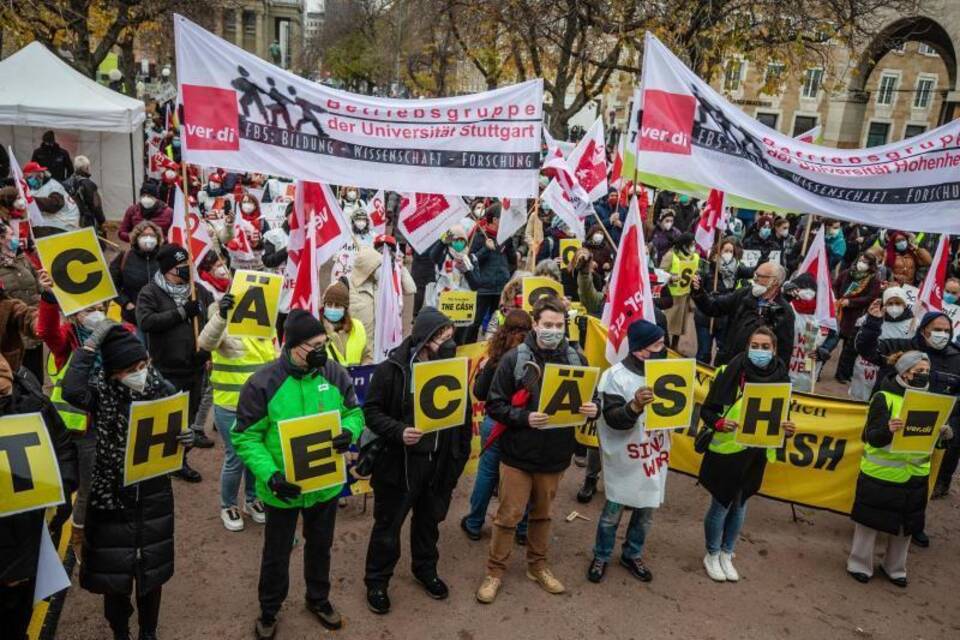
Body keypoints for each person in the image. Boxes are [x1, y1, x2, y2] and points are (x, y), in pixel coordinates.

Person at [232, 310, 363, 636]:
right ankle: (269, 610)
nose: (324, 349)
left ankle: (318, 599)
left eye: (325, 342)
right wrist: (271, 475)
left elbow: (354, 412)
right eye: (316, 344)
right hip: (282, 489)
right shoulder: (263, 383)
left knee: (320, 546)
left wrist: (349, 431)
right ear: (294, 346)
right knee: (276, 554)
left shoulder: (333, 372)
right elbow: (245, 436)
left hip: (325, 487)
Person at [62, 322, 193, 640]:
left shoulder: (160, 388)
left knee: (151, 575)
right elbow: (71, 390)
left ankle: (149, 631)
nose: (141, 373)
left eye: (143, 365)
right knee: (115, 580)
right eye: (131, 369)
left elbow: (177, 418)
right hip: (112, 501)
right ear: (112, 373)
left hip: (152, 497)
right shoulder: (99, 394)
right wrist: (90, 346)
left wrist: (185, 438)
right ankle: (120, 629)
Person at [476, 296, 598, 604]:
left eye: (559, 326)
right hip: (517, 454)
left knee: (543, 515)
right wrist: (524, 417)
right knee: (508, 516)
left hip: (554, 456)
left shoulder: (576, 359)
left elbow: (593, 398)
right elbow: (494, 404)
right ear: (535, 324)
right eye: (547, 325)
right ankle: (495, 571)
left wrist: (593, 408)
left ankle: (538, 566)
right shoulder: (514, 358)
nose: (553, 331)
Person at [362, 308, 472, 614]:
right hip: (400, 466)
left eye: (451, 337)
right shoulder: (392, 370)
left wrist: (457, 459)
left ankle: (425, 569)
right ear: (424, 338)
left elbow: (463, 419)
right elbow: (370, 411)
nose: (448, 343)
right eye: (441, 337)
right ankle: (377, 581)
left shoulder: (453, 370)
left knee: (429, 524)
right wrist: (399, 432)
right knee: (388, 527)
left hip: (438, 467)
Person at [697, 326, 795, 582]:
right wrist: (719, 424)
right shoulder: (727, 372)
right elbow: (707, 412)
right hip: (726, 452)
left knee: (741, 504)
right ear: (747, 346)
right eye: (755, 346)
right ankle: (712, 553)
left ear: (774, 350)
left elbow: (782, 416)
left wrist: (788, 427)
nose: (759, 351)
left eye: (765, 347)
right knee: (721, 504)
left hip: (757, 453)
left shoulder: (782, 377)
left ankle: (728, 553)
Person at [847, 351, 952, 587]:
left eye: (927, 371)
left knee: (906, 526)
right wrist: (888, 430)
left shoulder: (933, 401)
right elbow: (870, 437)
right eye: (919, 371)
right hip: (881, 474)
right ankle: (859, 563)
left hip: (915, 475)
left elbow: (930, 441)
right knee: (868, 523)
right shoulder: (883, 397)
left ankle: (895, 567)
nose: (924, 375)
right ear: (904, 372)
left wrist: (943, 436)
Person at [0, 353, 77, 640]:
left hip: (28, 537)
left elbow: (64, 448)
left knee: (20, 615)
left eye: (4, 388)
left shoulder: (35, 404)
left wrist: (64, 491)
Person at [587, 320, 671, 584]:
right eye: (658, 345)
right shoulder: (614, 376)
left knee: (646, 512)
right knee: (613, 512)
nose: (663, 349)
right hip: (625, 456)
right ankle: (601, 554)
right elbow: (612, 419)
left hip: (653, 455)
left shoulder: (667, 373)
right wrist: (634, 406)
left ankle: (632, 554)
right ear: (640, 350)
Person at [36, 268, 110, 562]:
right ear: (75, 314)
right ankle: (47, 532)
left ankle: (78, 536)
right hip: (68, 429)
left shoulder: (115, 333)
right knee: (63, 488)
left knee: (91, 486)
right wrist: (49, 298)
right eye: (87, 309)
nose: (93, 313)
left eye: (98, 307)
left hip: (97, 427)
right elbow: (47, 331)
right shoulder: (67, 339)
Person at [856, 310, 960, 519]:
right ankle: (872, 519)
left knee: (920, 483)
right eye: (937, 330)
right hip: (893, 428)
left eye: (947, 331)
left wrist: (950, 423)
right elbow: (866, 350)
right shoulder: (902, 347)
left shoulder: (957, 358)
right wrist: (874, 322)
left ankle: (914, 524)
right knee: (882, 481)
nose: (943, 334)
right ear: (924, 331)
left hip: (931, 433)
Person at [136, 243, 214, 480]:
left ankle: (180, 460)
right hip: (166, 369)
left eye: (187, 265)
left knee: (187, 421)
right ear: (168, 269)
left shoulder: (198, 290)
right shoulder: (150, 292)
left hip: (195, 367)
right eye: (181, 267)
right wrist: (181, 312)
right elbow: (146, 322)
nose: (186, 270)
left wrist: (208, 350)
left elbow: (212, 320)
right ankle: (161, 462)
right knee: (166, 419)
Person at [461, 309, 532, 542]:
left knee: (487, 473)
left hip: (496, 423)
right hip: (524, 424)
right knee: (524, 477)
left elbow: (479, 393)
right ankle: (521, 529)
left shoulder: (496, 359)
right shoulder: (535, 358)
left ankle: (473, 523)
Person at [691, 260, 795, 366]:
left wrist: (776, 375)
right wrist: (699, 292)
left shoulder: (784, 311)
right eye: (755, 274)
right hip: (730, 362)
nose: (755, 279)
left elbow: (784, 351)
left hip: (758, 371)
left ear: (774, 281)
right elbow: (714, 307)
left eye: (760, 276)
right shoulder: (743, 294)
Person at [850, 287, 915, 401]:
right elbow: (856, 344)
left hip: (892, 372)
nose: (894, 306)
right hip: (866, 369)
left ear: (905, 304)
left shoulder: (913, 323)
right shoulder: (870, 317)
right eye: (890, 303)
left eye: (898, 303)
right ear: (884, 303)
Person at [694, 237, 750, 365]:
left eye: (731, 251)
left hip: (725, 318)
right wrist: (699, 286)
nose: (728, 254)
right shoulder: (707, 267)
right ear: (717, 252)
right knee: (704, 353)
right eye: (726, 250)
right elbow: (697, 288)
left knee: (723, 353)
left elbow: (752, 272)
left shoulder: (737, 269)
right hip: (705, 317)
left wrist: (763, 260)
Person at [0, 220, 44, 381]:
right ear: (1, 239)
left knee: (36, 380)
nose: (16, 238)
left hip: (33, 325)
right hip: (14, 338)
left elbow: (40, 284)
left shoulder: (21, 258)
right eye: (11, 235)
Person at [832, 253, 882, 384]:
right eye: (860, 260)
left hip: (856, 316)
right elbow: (835, 285)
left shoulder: (873, 279)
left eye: (865, 262)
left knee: (849, 348)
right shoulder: (848, 272)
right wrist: (838, 299)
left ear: (871, 265)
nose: (861, 263)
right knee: (830, 341)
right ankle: (818, 369)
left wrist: (851, 302)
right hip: (839, 312)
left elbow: (870, 297)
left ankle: (842, 374)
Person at [464, 217, 515, 343]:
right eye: (502, 217)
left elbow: (512, 260)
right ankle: (469, 348)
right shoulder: (479, 236)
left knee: (498, 322)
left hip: (500, 288)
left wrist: (506, 274)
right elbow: (471, 260)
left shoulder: (505, 237)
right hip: (483, 288)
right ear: (495, 219)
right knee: (475, 322)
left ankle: (493, 349)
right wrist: (486, 248)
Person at [110, 221, 164, 327]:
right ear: (136, 238)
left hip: (161, 318)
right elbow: (111, 285)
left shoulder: (165, 257)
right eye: (144, 235)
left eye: (152, 235)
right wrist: (126, 304)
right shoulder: (124, 257)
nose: (148, 238)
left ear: (158, 239)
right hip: (132, 318)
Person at [659, 232, 699, 350]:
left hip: (685, 295)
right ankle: (664, 346)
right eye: (691, 244)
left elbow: (696, 272)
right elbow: (661, 272)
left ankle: (674, 346)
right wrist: (670, 277)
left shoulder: (695, 257)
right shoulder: (671, 255)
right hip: (671, 297)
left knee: (680, 325)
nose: (693, 247)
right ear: (684, 245)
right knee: (666, 324)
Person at [320, 282, 372, 366]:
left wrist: (365, 367)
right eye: (329, 304)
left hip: (355, 378)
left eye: (337, 306)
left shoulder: (357, 327)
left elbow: (367, 355)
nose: (332, 309)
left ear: (345, 309)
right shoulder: (317, 331)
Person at [22, 160, 80, 234]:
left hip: (64, 224)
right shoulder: (35, 189)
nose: (28, 181)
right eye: (26, 179)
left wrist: (32, 200)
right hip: (56, 223)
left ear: (40, 174)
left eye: (30, 177)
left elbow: (54, 204)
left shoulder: (53, 186)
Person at [63, 155, 105, 232]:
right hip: (86, 222)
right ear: (86, 168)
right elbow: (96, 206)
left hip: (69, 221)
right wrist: (101, 221)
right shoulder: (89, 184)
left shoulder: (65, 183)